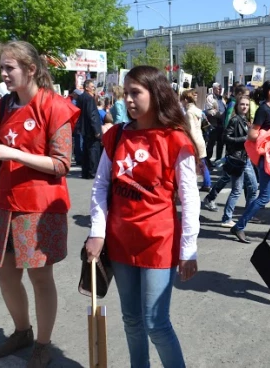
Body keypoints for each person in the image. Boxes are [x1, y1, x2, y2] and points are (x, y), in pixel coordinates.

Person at [86, 65, 199, 368]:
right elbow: (100, 186)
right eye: (126, 92)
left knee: (155, 323)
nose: (129, 99)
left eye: (136, 92)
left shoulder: (175, 138)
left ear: (157, 93)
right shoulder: (117, 134)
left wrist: (188, 249)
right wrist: (97, 231)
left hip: (158, 241)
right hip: (121, 239)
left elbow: (190, 199)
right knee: (131, 319)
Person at [0, 41, 79, 367]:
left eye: (10, 68)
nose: (3, 74)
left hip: (39, 206)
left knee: (40, 278)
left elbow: (61, 164)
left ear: (31, 69)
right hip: (6, 203)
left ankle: (43, 344)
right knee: (5, 276)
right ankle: (23, 331)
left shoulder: (54, 106)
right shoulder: (2, 107)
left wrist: (12, 154)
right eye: (2, 67)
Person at [229, 79, 270, 244]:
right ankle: (239, 225)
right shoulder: (263, 110)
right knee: (265, 197)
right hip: (265, 159)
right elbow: (252, 135)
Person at [203, 94, 258, 227]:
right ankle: (227, 218)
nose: (244, 107)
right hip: (237, 158)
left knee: (253, 187)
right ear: (237, 106)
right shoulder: (235, 120)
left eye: (246, 104)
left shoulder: (245, 120)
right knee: (237, 190)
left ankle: (248, 214)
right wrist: (244, 139)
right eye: (242, 104)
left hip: (245, 158)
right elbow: (225, 138)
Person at [181, 89, 212, 191]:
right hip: (200, 138)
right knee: (202, 163)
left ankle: (196, 185)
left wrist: (191, 143)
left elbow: (191, 129)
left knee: (193, 164)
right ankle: (207, 183)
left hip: (194, 140)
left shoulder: (189, 112)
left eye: (182, 100)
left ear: (185, 100)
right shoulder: (198, 111)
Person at [75, 79, 102, 179]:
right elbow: (92, 115)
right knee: (93, 150)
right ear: (86, 87)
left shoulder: (81, 98)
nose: (93, 88)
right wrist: (96, 130)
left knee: (86, 151)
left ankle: (85, 171)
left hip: (84, 128)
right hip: (90, 129)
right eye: (92, 87)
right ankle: (93, 172)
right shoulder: (89, 98)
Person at [204, 82, 227, 163]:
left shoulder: (222, 98)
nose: (220, 90)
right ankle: (207, 161)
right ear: (214, 89)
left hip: (222, 124)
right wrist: (217, 113)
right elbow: (209, 111)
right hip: (214, 124)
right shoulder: (210, 98)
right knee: (211, 143)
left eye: (221, 89)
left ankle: (218, 159)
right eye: (218, 89)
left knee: (220, 143)